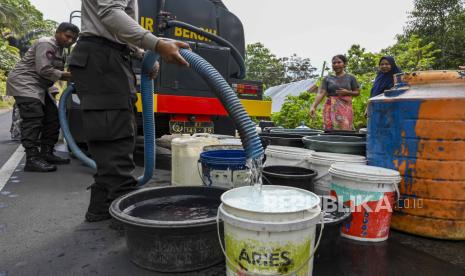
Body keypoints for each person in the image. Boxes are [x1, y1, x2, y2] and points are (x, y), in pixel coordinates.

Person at [68, 0, 190, 222]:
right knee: (114, 134)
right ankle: (128, 218)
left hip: (109, 56)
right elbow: (110, 13)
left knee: (115, 131)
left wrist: (142, 53)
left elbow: (114, 25)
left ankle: (101, 206)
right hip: (101, 57)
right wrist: (157, 44)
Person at [6, 23, 80, 172]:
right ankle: (32, 159)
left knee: (52, 117)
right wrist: (73, 76)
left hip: (40, 85)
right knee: (33, 118)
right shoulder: (46, 43)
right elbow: (44, 69)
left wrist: (54, 87)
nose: (70, 40)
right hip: (25, 82)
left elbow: (54, 72)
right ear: (57, 32)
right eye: (67, 36)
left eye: (73, 38)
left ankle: (46, 153)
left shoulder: (61, 50)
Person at [310, 55, 360, 130]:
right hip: (330, 107)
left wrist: (347, 92)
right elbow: (321, 93)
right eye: (334, 63)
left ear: (344, 64)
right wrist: (313, 106)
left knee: (344, 129)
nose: (336, 65)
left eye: (339, 62)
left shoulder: (350, 78)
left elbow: (357, 92)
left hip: (345, 108)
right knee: (329, 129)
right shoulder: (327, 79)